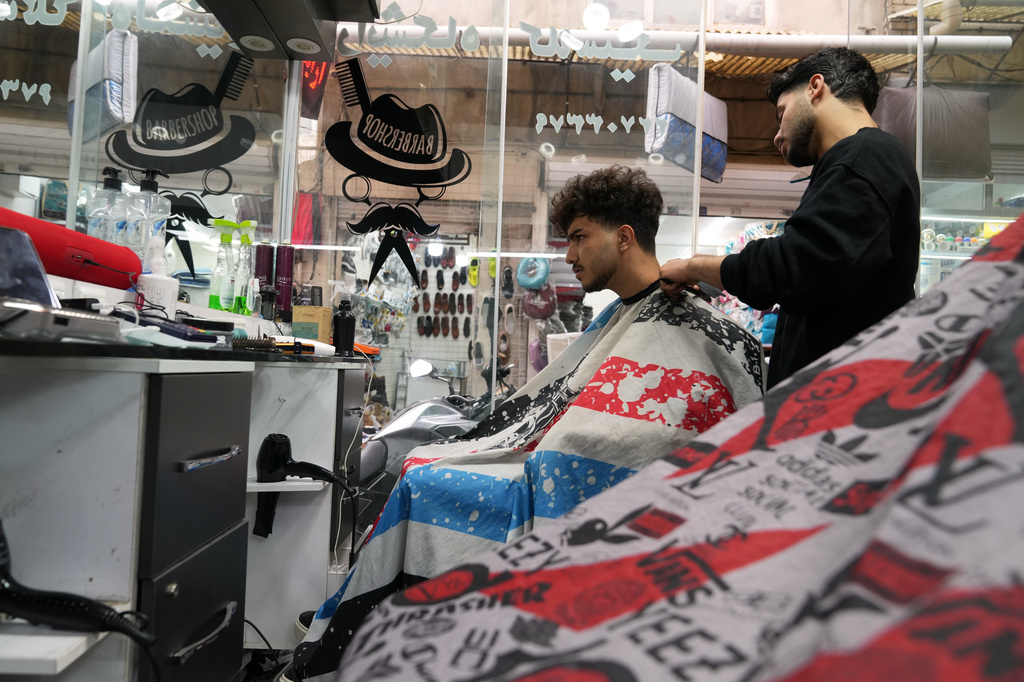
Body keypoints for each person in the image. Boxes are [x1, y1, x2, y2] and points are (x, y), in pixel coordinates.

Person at [287, 165, 765, 681]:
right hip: (553, 461)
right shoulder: (623, 316)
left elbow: (664, 437)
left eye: (580, 238)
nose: (569, 256)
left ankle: (387, 647)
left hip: (608, 498)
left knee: (425, 481)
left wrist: (562, 448)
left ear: (624, 238)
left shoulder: (695, 324)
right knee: (419, 462)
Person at [660, 47, 921, 389]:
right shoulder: (861, 161)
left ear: (816, 87)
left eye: (781, 114)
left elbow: (791, 268)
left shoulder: (863, 157)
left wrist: (693, 266)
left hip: (841, 406)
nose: (777, 136)